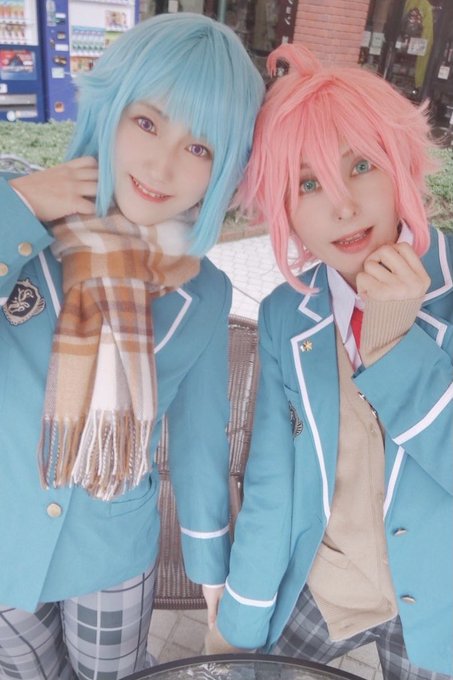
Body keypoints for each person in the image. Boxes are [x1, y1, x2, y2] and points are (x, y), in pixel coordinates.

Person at [0, 13, 264, 680]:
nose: (161, 164)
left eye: (199, 147)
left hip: (112, 547)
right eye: (147, 122)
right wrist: (19, 208)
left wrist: (212, 574)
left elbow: (201, 441)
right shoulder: (23, 232)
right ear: (109, 109)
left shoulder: (203, 292)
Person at [206, 43, 453, 679]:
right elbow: (273, 477)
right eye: (307, 184)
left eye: (361, 165)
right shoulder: (288, 315)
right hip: (329, 582)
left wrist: (395, 346)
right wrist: (240, 616)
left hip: (443, 602)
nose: (342, 206)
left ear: (400, 162)